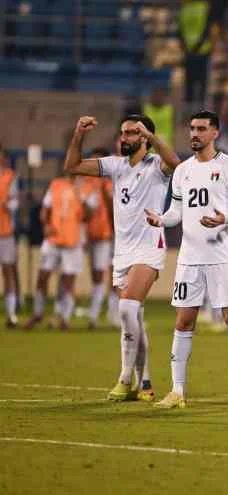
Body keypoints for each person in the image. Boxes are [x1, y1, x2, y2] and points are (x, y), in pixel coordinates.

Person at [146, 110, 228, 410]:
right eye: (192, 128)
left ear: (215, 133)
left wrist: (226, 219)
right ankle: (177, 391)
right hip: (189, 259)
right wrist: (161, 220)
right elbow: (176, 212)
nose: (194, 134)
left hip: (222, 258)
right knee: (184, 321)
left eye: (201, 129)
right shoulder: (183, 170)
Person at [63, 114, 180, 402]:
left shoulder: (156, 165)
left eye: (130, 133)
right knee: (134, 317)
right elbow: (72, 166)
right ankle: (145, 382)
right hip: (122, 251)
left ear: (144, 137)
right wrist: (79, 133)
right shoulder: (115, 165)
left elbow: (175, 163)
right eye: (122, 132)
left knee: (126, 308)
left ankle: (125, 378)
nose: (123, 138)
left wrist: (151, 137)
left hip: (149, 247)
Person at [25, 173, 97, 330]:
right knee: (42, 276)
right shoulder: (56, 184)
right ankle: (38, 313)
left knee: (68, 282)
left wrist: (81, 196)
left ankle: (65, 318)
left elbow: (89, 216)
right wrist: (46, 224)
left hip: (73, 241)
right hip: (53, 238)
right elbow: (45, 209)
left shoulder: (88, 188)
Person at [79, 148, 115, 329]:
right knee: (95, 275)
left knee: (104, 274)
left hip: (104, 235)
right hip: (88, 235)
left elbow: (113, 209)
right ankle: (97, 313)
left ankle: (98, 315)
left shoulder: (108, 184)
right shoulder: (83, 183)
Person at [0, 147, 19, 327]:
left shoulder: (9, 177)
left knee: (8, 271)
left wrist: (7, 204)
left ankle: (11, 313)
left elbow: (15, 202)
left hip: (4, 232)